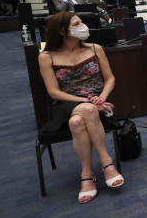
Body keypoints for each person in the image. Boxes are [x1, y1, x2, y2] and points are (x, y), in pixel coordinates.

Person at [37, 12, 123, 203]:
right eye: (78, 23)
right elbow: (53, 92)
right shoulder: (46, 56)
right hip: (65, 103)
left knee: (77, 122)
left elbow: (110, 79)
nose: (83, 26)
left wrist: (101, 98)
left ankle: (87, 174)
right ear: (62, 31)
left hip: (98, 103)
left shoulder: (95, 48)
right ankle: (107, 163)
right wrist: (85, 102)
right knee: (87, 110)